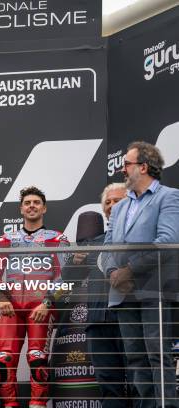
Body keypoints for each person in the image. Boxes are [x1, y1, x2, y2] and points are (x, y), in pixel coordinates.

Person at [104, 141, 179, 408]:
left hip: (154, 289)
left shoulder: (169, 196)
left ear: (143, 167)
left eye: (127, 164)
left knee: (157, 356)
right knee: (135, 358)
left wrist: (130, 270)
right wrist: (113, 271)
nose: (122, 169)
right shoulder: (121, 206)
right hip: (122, 293)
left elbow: (167, 242)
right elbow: (107, 246)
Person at [0, 186, 69, 408]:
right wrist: (1, 298)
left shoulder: (58, 239)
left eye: (36, 202)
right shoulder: (6, 239)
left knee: (37, 359)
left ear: (44, 208)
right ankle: (9, 405)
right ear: (21, 209)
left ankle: (38, 405)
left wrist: (48, 303)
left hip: (40, 307)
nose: (32, 206)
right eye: (27, 203)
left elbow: (65, 276)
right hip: (10, 307)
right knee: (3, 362)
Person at [72, 183, 130, 408]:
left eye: (118, 200)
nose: (113, 206)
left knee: (140, 382)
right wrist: (73, 260)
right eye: (108, 202)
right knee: (108, 386)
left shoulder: (142, 238)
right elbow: (69, 278)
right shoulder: (93, 243)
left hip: (131, 320)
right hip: (98, 322)